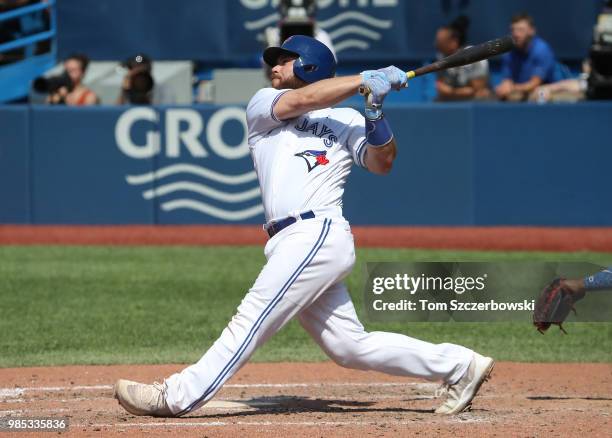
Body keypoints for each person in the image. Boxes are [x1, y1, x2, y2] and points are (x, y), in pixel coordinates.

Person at [113, 35, 494, 417]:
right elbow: (302, 101)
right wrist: (363, 78)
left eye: (284, 59)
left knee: (254, 313)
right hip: (287, 239)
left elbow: (383, 163)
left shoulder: (346, 119)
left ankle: (177, 395)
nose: (274, 67)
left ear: (309, 64)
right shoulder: (264, 103)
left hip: (318, 233)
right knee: (350, 346)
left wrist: (375, 110)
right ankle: (460, 366)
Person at [495, 13, 556, 101]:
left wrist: (512, 88)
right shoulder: (509, 52)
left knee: (540, 94)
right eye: (513, 30)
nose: (516, 34)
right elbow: (507, 79)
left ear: (532, 31)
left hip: (544, 92)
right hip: (520, 92)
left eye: (521, 30)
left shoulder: (542, 49)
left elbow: (534, 84)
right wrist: (505, 86)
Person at [435, 16, 491, 101]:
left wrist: (451, 92)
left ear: (454, 42)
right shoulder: (440, 57)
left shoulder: (475, 55)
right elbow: (441, 87)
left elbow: (478, 91)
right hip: (451, 104)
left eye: (440, 42)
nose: (436, 45)